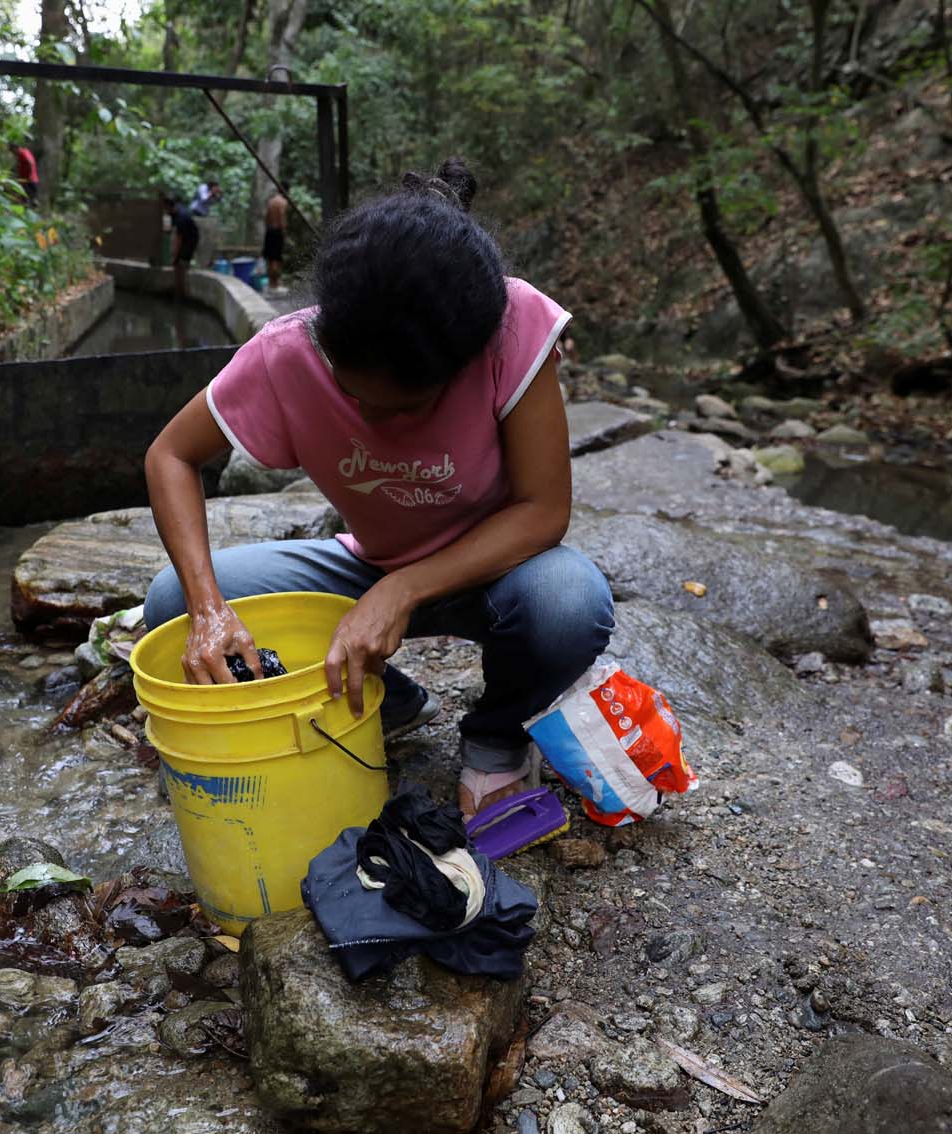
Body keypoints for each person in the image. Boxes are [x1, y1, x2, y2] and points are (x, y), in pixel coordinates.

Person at [143, 158, 614, 820]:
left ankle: (495, 737)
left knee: (571, 602)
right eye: (355, 398)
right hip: (366, 562)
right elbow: (170, 453)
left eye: (401, 409)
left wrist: (403, 590)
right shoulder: (289, 354)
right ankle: (385, 702)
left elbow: (543, 513)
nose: (375, 423)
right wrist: (208, 609)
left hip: (499, 574)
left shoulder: (513, 330)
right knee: (171, 601)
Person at [162, 195, 199, 299]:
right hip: (186, 237)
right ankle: (179, 290)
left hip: (190, 240)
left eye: (164, 207)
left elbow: (179, 240)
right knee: (177, 265)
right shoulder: (174, 211)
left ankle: (180, 293)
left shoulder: (181, 217)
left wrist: (174, 255)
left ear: (168, 206)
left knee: (179, 264)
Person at [263, 183, 288, 295]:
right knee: (276, 259)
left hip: (269, 231)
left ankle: (270, 284)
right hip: (277, 232)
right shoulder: (282, 202)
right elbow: (282, 216)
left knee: (269, 258)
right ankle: (275, 285)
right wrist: (283, 230)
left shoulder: (271, 201)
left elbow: (267, 217)